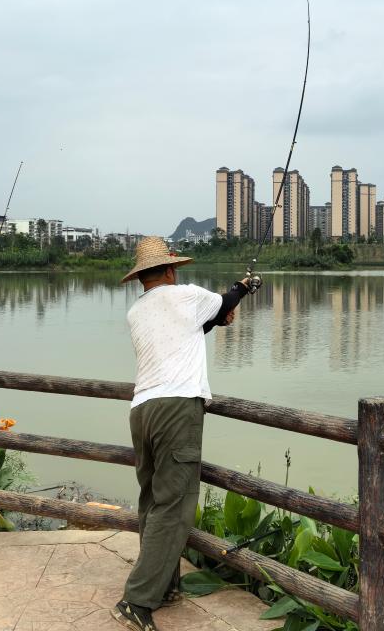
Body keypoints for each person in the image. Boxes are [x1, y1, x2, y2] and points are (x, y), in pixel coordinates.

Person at [112, 236, 259, 631]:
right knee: (174, 507)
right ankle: (137, 601)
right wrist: (243, 289)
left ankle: (164, 586)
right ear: (172, 269)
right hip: (177, 408)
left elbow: (188, 331)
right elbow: (223, 304)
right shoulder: (187, 296)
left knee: (153, 502)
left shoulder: (137, 312)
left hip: (142, 409)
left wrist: (215, 319)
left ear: (142, 276)